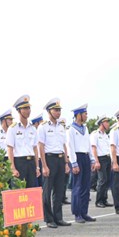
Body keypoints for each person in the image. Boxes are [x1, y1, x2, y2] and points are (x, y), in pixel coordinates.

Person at [38, 98, 71, 228]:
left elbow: (64, 145)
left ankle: (59, 217)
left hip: (60, 158)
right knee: (47, 190)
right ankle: (49, 218)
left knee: (59, 189)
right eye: (55, 110)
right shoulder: (43, 126)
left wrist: (66, 162)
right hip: (49, 158)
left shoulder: (61, 127)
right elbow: (41, 146)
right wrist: (44, 165)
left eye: (59, 110)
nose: (58, 113)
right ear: (49, 111)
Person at [67, 104, 96, 224]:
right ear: (78, 115)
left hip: (85, 156)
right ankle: (77, 213)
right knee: (77, 187)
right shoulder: (71, 129)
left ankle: (84, 212)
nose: (86, 116)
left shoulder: (85, 128)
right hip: (77, 157)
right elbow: (70, 146)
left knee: (85, 186)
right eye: (84, 114)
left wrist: (92, 159)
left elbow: (88, 145)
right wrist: (73, 163)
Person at [6, 95, 40, 188]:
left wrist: (37, 166)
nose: (28, 110)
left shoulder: (32, 128)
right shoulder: (13, 128)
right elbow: (10, 148)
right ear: (19, 110)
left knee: (31, 189)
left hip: (31, 162)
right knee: (19, 191)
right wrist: (12, 167)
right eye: (25, 108)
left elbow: (35, 148)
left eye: (29, 108)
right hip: (19, 162)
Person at [90, 115, 113, 208]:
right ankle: (99, 201)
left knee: (107, 180)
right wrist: (96, 161)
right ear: (101, 123)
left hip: (107, 158)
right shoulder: (95, 134)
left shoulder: (106, 135)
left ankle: (104, 199)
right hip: (100, 159)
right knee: (102, 180)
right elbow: (93, 148)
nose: (108, 124)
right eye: (106, 122)